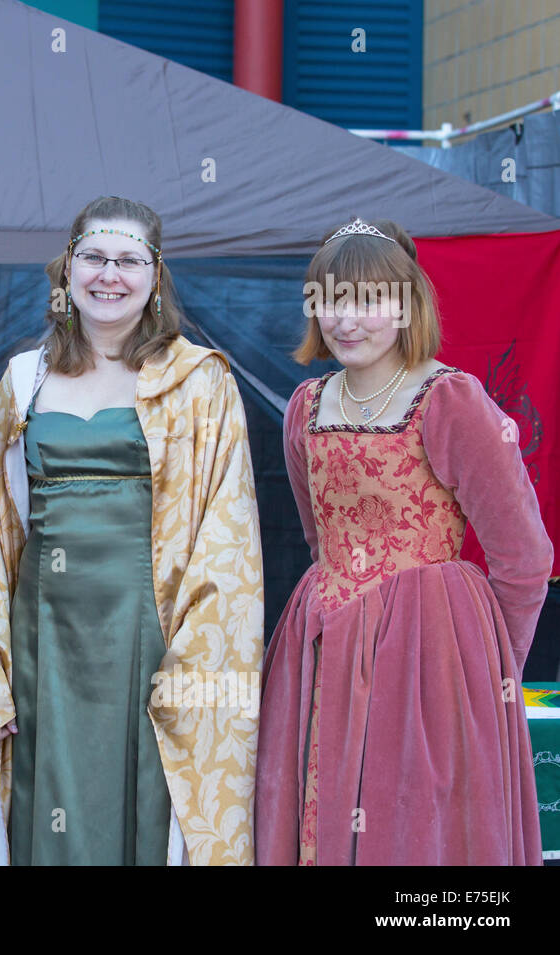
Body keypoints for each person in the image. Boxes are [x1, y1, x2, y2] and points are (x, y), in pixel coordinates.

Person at [0, 196, 264, 866]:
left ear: (156, 274)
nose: (108, 274)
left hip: (151, 636)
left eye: (128, 260)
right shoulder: (21, 382)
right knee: (45, 803)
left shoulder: (199, 382)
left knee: (147, 805)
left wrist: (195, 671)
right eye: (92, 257)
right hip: (44, 638)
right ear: (67, 269)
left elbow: (225, 536)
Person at [256, 218, 551, 865]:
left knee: (414, 830)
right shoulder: (305, 408)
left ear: (406, 304)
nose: (347, 317)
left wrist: (486, 666)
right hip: (325, 639)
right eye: (331, 298)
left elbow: (524, 554)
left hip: (431, 650)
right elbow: (318, 533)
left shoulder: (450, 400)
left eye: (369, 299)